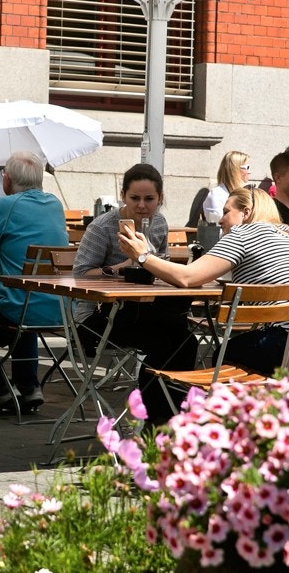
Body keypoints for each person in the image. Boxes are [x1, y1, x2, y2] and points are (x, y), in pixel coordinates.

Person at [118, 190, 289, 376]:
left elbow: (188, 277)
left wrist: (143, 256)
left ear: (246, 213)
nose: (221, 220)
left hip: (282, 344)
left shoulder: (241, 233)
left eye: (226, 212)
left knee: (227, 352)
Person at [72, 163, 198, 423]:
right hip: (100, 317)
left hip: (145, 310)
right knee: (165, 343)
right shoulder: (103, 227)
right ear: (123, 196)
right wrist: (125, 266)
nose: (142, 205)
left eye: (149, 199)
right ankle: (156, 421)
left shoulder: (160, 223)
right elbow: (81, 274)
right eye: (135, 198)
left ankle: (171, 418)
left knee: (186, 340)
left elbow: (158, 268)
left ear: (160, 198)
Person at [0, 151, 69, 414]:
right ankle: (28, 385)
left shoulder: (6, 205)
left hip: (19, 307)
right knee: (26, 294)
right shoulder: (55, 204)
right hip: (58, 305)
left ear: (8, 180)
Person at [201, 150, 251, 223]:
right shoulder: (216, 195)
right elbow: (217, 226)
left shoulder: (245, 192)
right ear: (235, 169)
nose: (249, 172)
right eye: (247, 167)